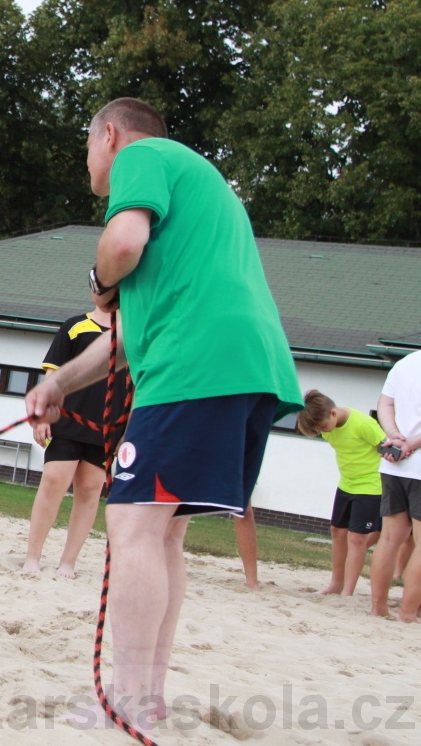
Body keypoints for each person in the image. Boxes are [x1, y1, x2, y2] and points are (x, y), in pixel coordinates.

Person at [25, 98, 301, 732]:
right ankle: (145, 696)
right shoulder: (200, 196)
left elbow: (122, 241)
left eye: (90, 148)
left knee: (133, 524)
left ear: (111, 136)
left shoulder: (144, 156)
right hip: (244, 366)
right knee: (162, 529)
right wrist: (60, 382)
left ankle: (126, 700)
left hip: (195, 365)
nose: (90, 164)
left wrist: (99, 274)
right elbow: (124, 338)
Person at [24, 306, 125, 578]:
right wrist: (43, 417)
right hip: (67, 420)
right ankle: (32, 557)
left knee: (90, 490)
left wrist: (128, 432)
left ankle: (68, 562)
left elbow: (137, 387)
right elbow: (53, 375)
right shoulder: (75, 326)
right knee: (54, 480)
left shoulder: (135, 333)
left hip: (108, 427)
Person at [295, 390, 385, 596]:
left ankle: (348, 592)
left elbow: (388, 450)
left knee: (357, 539)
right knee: (337, 532)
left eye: (322, 426)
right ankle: (336, 583)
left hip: (371, 486)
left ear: (333, 413)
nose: (322, 431)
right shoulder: (327, 428)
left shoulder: (363, 424)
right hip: (346, 484)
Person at [370, 350, 421, 622]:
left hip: (394, 462)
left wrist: (393, 436)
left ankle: (378, 607)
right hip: (416, 463)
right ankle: (408, 612)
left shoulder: (406, 363)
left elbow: (385, 404)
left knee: (389, 539)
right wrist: (411, 443)